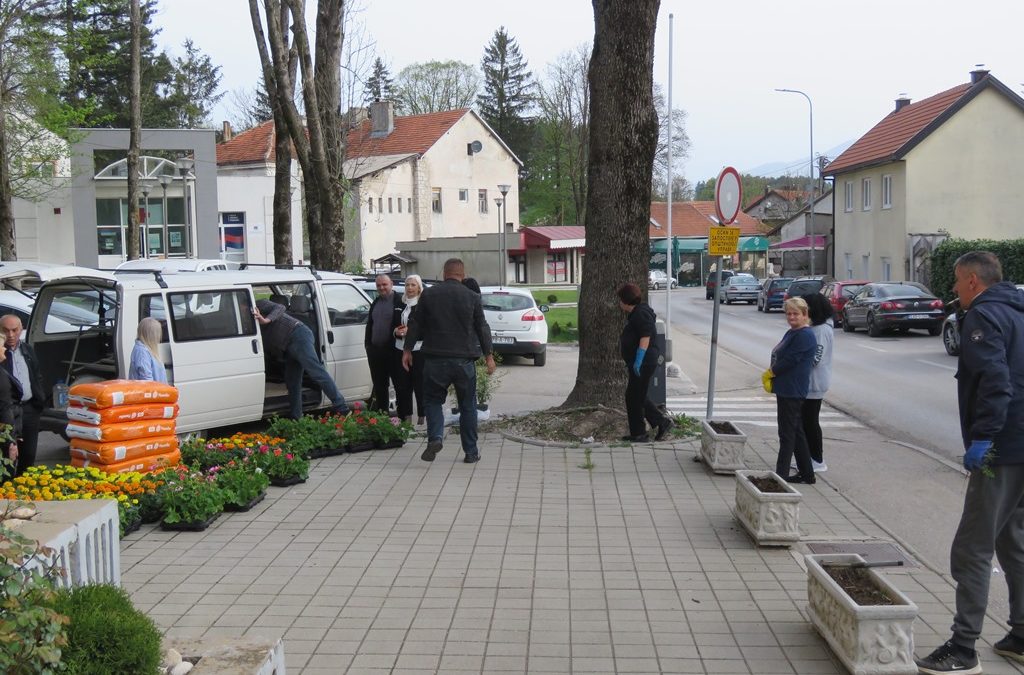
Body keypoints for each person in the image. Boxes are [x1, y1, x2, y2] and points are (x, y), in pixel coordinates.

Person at [914, 251, 1024, 675]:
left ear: (974, 281)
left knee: (971, 549)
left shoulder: (982, 317)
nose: (954, 291)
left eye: (957, 283)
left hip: (1003, 448)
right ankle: (1021, 635)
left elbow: (997, 380)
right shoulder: (1018, 311)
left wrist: (984, 438)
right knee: (1014, 542)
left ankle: (963, 648)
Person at [402, 258, 495, 464]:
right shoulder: (472, 296)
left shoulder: (429, 294)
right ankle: (471, 452)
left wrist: (407, 349)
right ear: (463, 274)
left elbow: (415, 323)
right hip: (464, 361)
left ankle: (435, 438)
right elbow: (482, 327)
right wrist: (489, 356)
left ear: (444, 274)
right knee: (468, 405)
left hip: (435, 359)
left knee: (433, 401)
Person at [254, 299, 349, 419]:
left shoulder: (259, 304)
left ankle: (342, 408)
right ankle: (296, 417)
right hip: (286, 346)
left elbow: (280, 307)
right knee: (292, 381)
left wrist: (266, 320)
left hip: (298, 335)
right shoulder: (246, 319)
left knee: (317, 373)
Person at [767, 297, 817, 484]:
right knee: (796, 432)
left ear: (805, 315)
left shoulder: (804, 335)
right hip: (788, 387)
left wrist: (771, 372)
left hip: (792, 389)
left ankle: (780, 477)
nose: (791, 317)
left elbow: (791, 360)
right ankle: (807, 474)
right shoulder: (793, 332)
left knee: (787, 434)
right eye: (788, 313)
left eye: (796, 313)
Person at [617, 283, 672, 442]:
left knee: (635, 397)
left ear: (626, 301)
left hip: (644, 362)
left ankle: (661, 423)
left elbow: (645, 336)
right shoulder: (637, 312)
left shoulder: (640, 314)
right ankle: (639, 432)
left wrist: (639, 360)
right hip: (641, 362)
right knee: (635, 396)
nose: (619, 303)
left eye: (620, 299)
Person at [1, 314, 44, 478]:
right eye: (6, 331)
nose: (10, 335)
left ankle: (24, 492)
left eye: (14, 330)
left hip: (29, 410)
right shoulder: (1, 354)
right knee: (8, 457)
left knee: (28, 456)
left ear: (21, 330)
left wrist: (39, 402)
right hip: (7, 413)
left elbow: (37, 376)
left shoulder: (27, 350)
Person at [364, 274, 408, 414]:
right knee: (379, 387)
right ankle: (382, 418)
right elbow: (370, 325)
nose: (381, 287)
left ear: (391, 284)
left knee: (400, 386)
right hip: (376, 352)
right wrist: (368, 345)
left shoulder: (400, 302)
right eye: (379, 285)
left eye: (384, 284)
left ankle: (402, 419)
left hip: (394, 352)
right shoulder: (376, 302)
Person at [801, 293, 834, 473]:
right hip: (811, 383)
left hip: (814, 383)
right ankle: (809, 457)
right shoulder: (820, 328)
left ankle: (817, 460)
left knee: (810, 422)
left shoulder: (821, 331)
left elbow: (816, 359)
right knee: (807, 422)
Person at [394, 275, 425, 425]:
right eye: (407, 285)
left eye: (413, 285)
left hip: (418, 350)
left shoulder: (423, 305)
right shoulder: (401, 304)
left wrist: (411, 331)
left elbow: (427, 329)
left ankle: (422, 415)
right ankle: (406, 415)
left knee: (419, 383)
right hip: (400, 348)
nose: (410, 288)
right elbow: (393, 324)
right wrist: (396, 332)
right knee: (403, 385)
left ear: (419, 287)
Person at [0, 347, 21, 480]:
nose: (4, 348)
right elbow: (4, 410)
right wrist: (11, 442)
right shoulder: (1, 377)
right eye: (1, 345)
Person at [128, 317, 168, 383]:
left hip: (157, 391)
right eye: (157, 333)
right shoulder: (142, 351)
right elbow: (147, 380)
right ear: (151, 334)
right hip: (153, 392)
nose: (159, 336)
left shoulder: (146, 348)